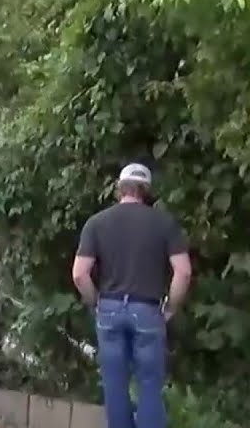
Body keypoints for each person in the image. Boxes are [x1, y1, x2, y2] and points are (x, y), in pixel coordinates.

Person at [71, 164, 192, 428]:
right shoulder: (164, 223)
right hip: (148, 310)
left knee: (114, 385)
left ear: (119, 188)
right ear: (146, 191)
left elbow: (80, 274)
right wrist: (170, 308)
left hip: (110, 308)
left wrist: (96, 302)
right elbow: (183, 272)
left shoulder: (97, 222)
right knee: (149, 386)